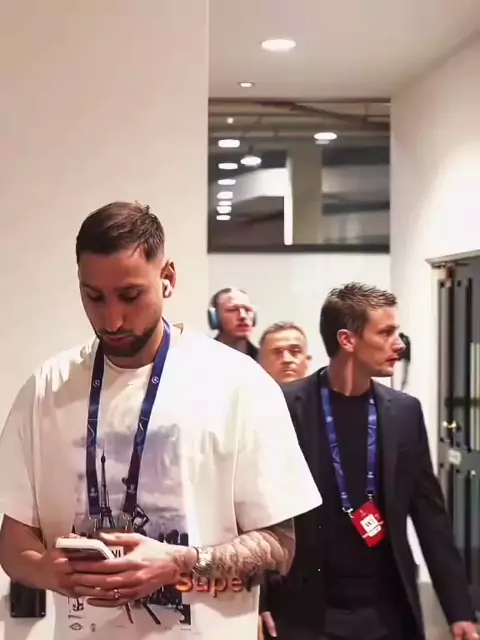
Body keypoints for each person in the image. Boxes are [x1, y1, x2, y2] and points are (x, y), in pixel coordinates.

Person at [0, 201, 322, 640]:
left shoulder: (239, 384)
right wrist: (48, 571)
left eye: (130, 296)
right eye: (94, 297)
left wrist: (179, 563)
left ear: (167, 277)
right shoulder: (45, 389)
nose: (112, 319)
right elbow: (15, 540)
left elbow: (279, 547)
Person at [260, 283, 478, 640]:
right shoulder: (285, 407)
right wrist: (260, 599)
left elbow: (430, 517)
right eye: (386, 332)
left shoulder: (404, 412)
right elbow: (258, 509)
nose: (399, 344)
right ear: (348, 340)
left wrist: (459, 610)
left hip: (388, 612)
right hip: (306, 613)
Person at [208, 287, 259, 359]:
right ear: (215, 317)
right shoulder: (200, 357)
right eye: (232, 310)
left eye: (248, 309)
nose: (243, 316)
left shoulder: (264, 359)